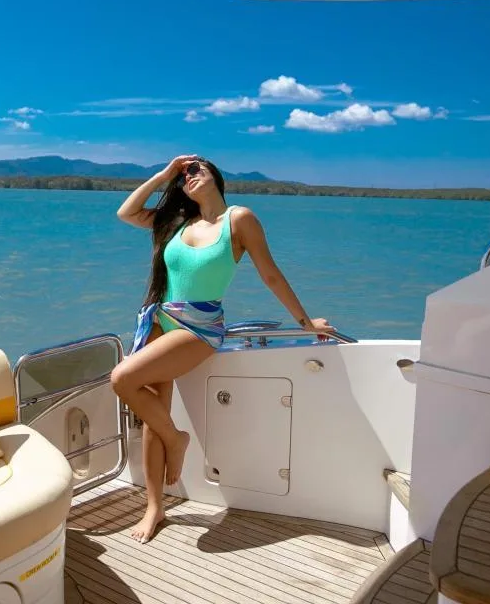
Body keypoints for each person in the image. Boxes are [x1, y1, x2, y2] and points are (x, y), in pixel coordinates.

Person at [112, 153, 335, 543]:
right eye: (184, 175)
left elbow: (270, 274)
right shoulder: (178, 222)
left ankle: (176, 440)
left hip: (199, 327)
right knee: (153, 415)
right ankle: (155, 506)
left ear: (215, 175)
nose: (189, 176)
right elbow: (126, 213)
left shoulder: (239, 219)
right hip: (159, 321)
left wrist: (306, 323)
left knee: (123, 378)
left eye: (195, 169)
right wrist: (163, 174)